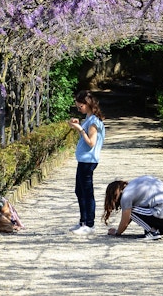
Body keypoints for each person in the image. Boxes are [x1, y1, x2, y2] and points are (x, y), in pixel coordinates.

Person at [103, 175, 163, 240]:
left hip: (162, 212)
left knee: (131, 210)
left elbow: (126, 220)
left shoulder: (126, 195)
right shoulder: (136, 183)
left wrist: (117, 232)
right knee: (158, 221)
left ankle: (152, 232)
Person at [68, 89, 105, 235]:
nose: (79, 109)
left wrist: (80, 129)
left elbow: (91, 143)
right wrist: (79, 126)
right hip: (83, 160)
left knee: (87, 192)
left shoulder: (94, 122)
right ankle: (83, 221)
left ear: (88, 104)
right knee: (79, 191)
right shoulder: (88, 119)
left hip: (88, 161)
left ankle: (89, 224)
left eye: (80, 107)